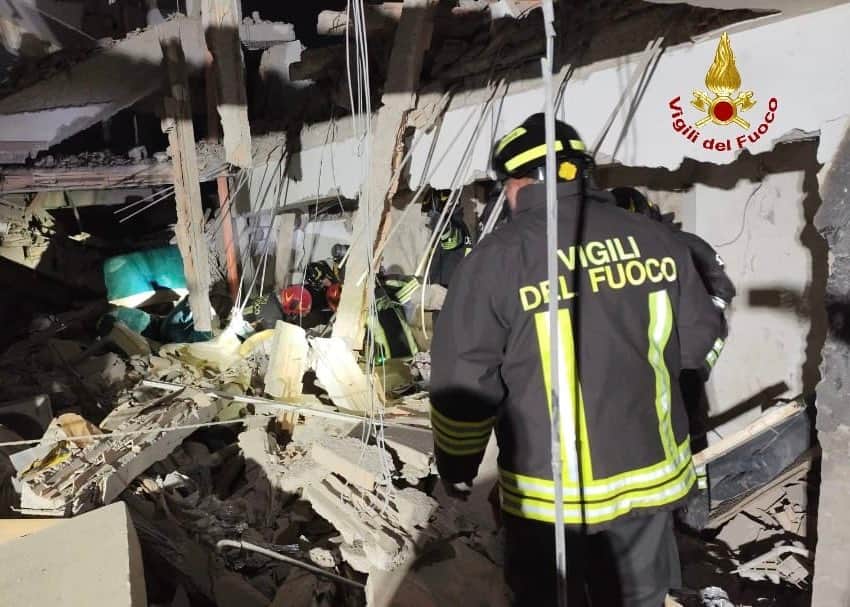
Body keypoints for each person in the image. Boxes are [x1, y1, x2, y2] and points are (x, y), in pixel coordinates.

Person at [428, 113, 724, 607]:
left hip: (551, 498)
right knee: (640, 598)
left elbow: (464, 383)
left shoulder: (496, 259)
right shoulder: (657, 241)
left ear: (519, 183)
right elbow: (701, 342)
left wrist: (458, 467)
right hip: (650, 482)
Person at [611, 187, 735, 451]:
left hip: (685, 359)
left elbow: (721, 293)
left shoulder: (683, 245)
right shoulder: (625, 255)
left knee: (686, 425)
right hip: (649, 360)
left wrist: (690, 359)